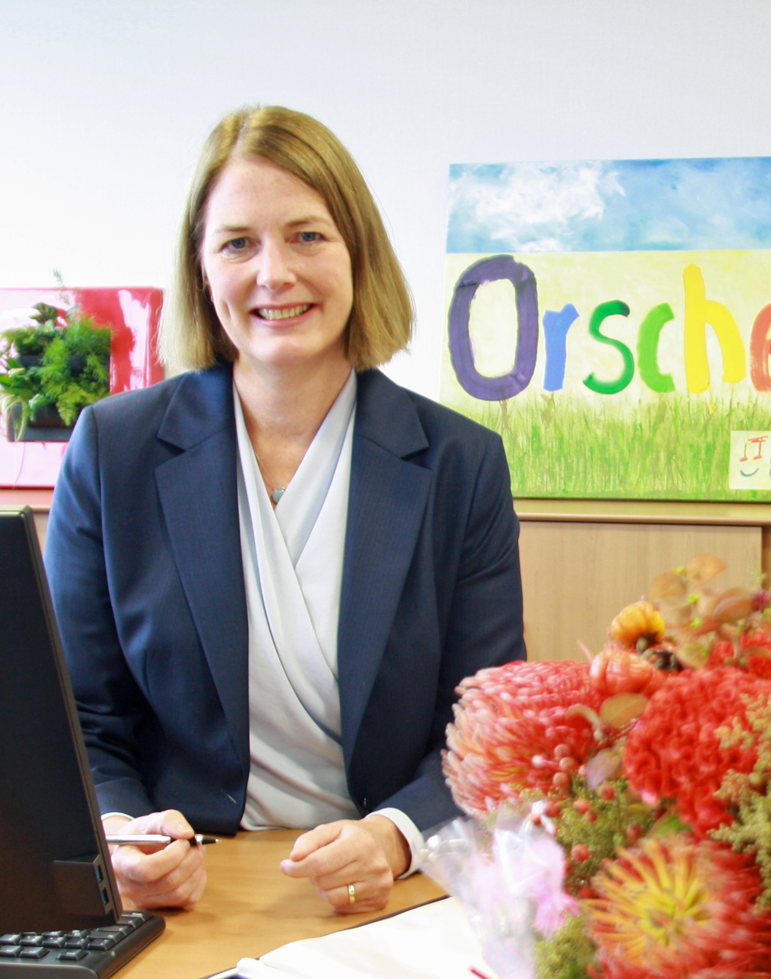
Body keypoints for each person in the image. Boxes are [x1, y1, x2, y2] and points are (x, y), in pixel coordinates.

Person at [44, 105, 524, 916]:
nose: (274, 273)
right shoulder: (112, 451)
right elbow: (78, 716)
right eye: (238, 243)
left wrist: (396, 835)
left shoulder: (458, 464)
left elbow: (486, 730)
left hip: (390, 895)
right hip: (191, 894)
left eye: (307, 235)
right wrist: (125, 836)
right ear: (201, 269)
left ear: (357, 254)